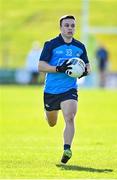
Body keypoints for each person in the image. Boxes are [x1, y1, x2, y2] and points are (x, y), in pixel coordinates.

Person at [38, 15, 91, 164]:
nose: (70, 28)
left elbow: (88, 66)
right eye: (67, 25)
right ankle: (48, 113)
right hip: (51, 91)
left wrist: (84, 72)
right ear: (61, 28)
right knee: (52, 122)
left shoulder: (80, 47)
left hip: (69, 89)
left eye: (72, 25)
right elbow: (41, 66)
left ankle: (67, 149)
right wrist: (58, 68)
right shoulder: (51, 45)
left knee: (69, 117)